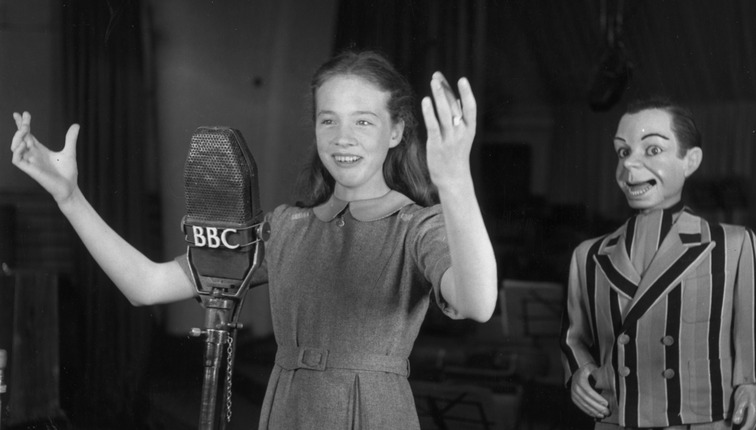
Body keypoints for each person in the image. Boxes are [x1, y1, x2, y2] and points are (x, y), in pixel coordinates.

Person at [10, 50, 498, 429]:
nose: (342, 137)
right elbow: (147, 285)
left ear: (395, 132)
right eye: (328, 119)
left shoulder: (419, 225)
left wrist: (455, 180)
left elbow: (477, 302)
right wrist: (70, 197)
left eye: (364, 121)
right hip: (286, 412)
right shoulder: (286, 227)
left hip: (376, 414)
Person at [560, 98, 756, 430]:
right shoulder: (588, 256)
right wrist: (578, 373)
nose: (630, 165)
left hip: (702, 420)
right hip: (617, 420)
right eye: (622, 152)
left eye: (652, 150)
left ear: (690, 160)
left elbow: (751, 331)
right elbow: (574, 338)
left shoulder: (733, 244)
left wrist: (751, 384)